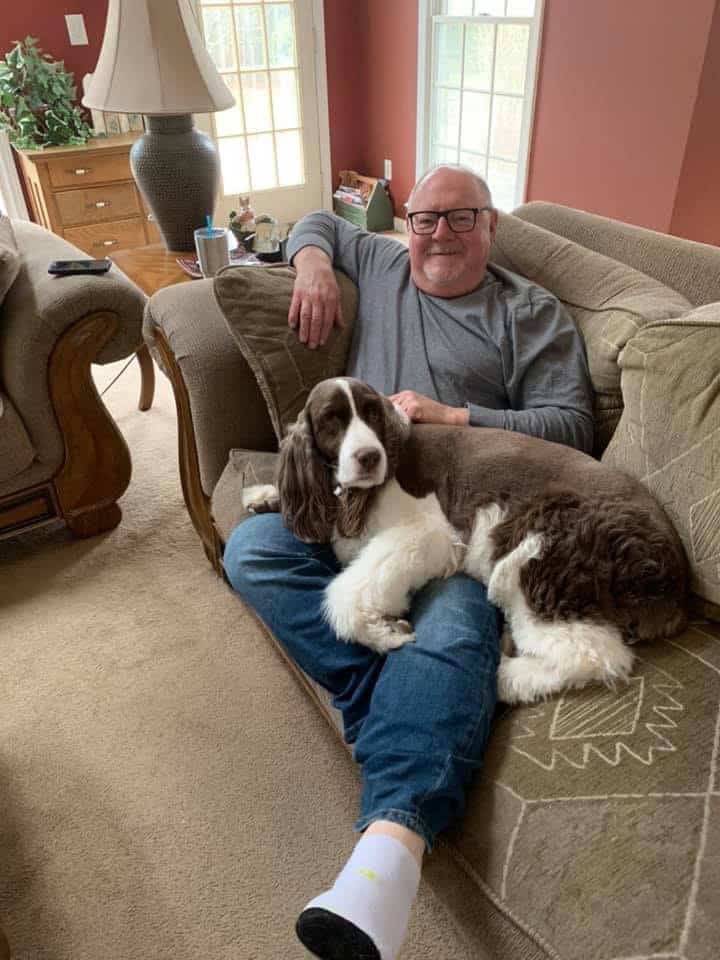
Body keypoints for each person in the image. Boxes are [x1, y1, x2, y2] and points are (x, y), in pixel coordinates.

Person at [223, 165, 594, 960]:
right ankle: (390, 702)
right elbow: (321, 220)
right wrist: (311, 262)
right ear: (407, 225)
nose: (439, 235)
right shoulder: (383, 260)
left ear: (491, 225)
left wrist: (452, 415)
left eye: (462, 218)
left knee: (453, 626)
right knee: (251, 550)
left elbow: (574, 427)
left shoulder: (529, 313)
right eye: (425, 219)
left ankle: (385, 858)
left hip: (452, 523)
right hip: (356, 502)